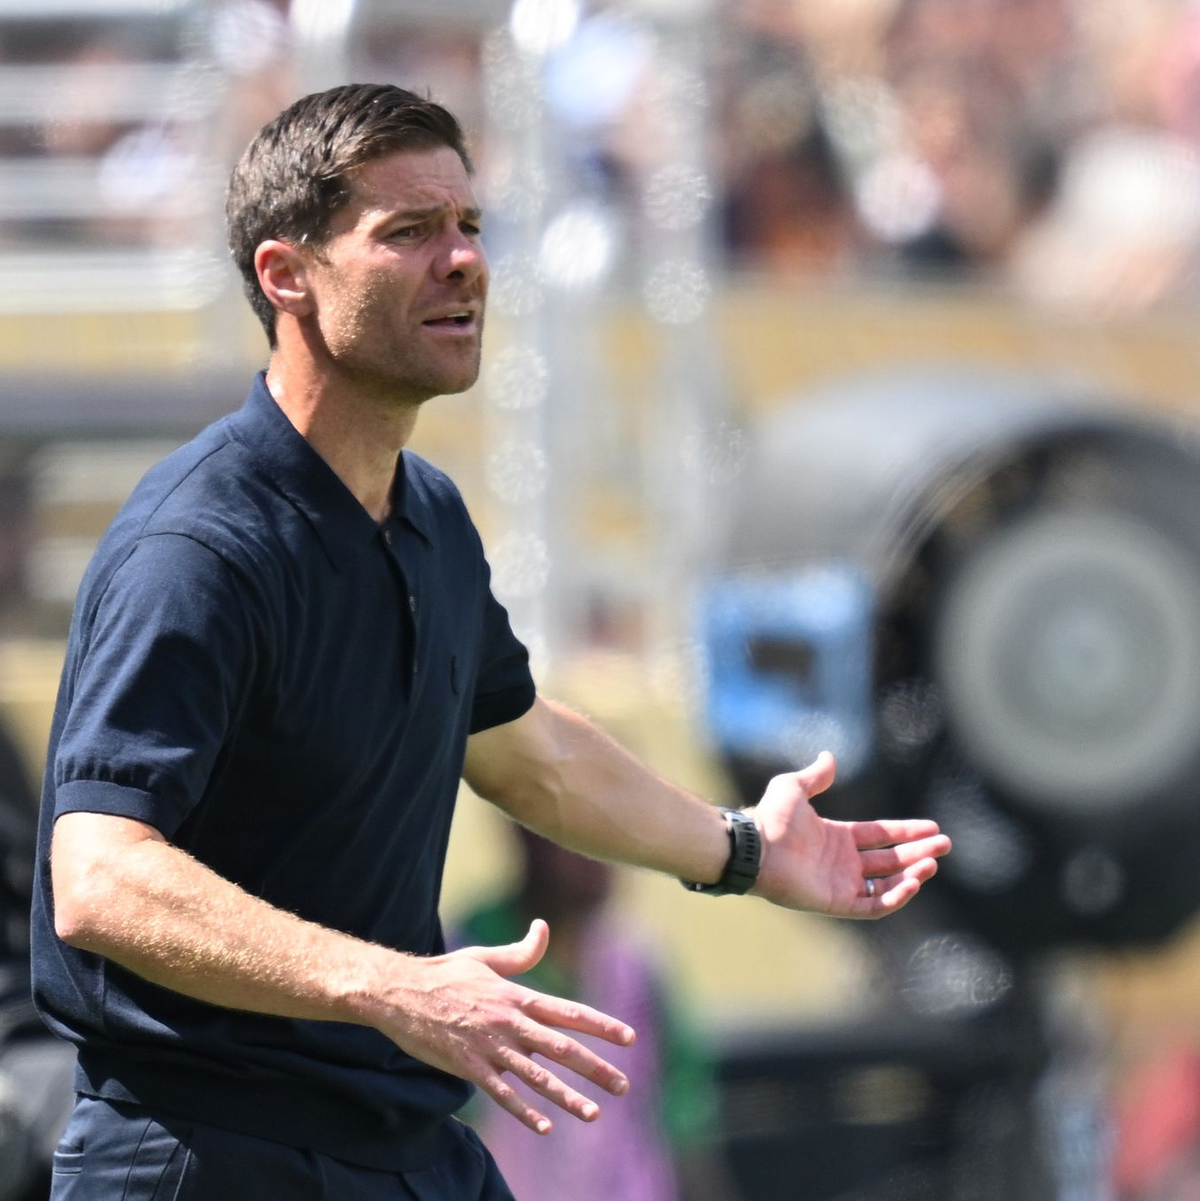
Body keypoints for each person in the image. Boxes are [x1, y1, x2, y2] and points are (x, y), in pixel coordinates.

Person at [30, 83, 950, 1200]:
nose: (462, 261)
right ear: (287, 276)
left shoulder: (430, 518)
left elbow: (528, 751)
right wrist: (395, 988)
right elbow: (100, 880)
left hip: (405, 1147)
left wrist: (745, 848)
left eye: (470, 226)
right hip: (210, 1155)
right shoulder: (200, 545)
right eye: (408, 232)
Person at [455, 828, 725, 1201]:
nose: (596, 855)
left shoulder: (639, 971)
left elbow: (684, 1122)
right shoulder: (461, 965)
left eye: (612, 834)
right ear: (526, 832)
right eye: (574, 831)